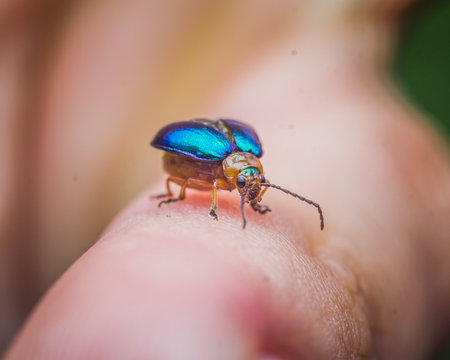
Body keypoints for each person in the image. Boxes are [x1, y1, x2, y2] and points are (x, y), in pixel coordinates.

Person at [3, 0, 450, 358]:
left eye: (253, 183)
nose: (252, 184)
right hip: (187, 163)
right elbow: (178, 164)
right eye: (249, 182)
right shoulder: (221, 173)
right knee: (198, 186)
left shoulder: (248, 158)